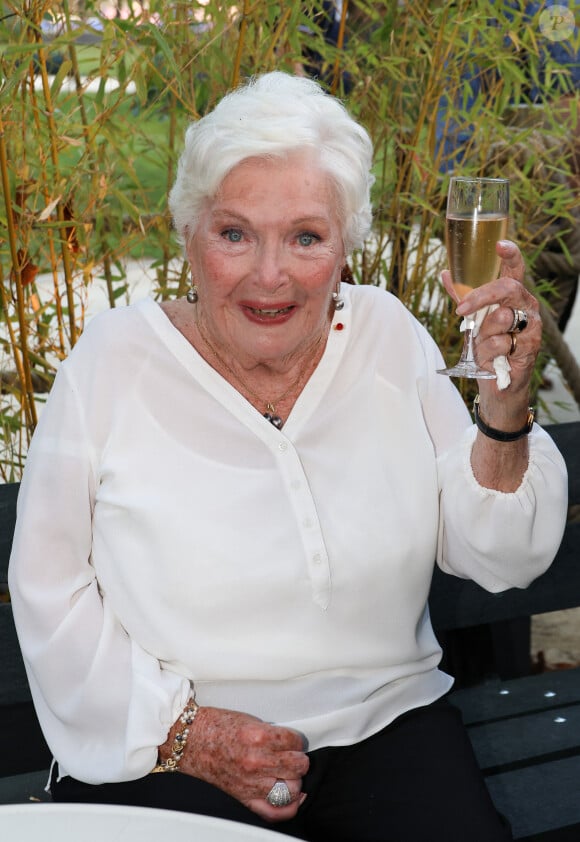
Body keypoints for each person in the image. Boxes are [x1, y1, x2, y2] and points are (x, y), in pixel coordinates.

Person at [9, 71, 567, 841]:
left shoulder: (386, 334)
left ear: (346, 245)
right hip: (169, 748)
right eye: (235, 233)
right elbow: (49, 585)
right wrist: (181, 733)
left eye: (306, 237)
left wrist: (502, 413)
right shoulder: (113, 362)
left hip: (388, 722)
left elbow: (501, 557)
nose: (269, 275)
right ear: (188, 234)